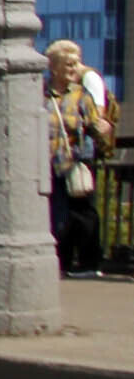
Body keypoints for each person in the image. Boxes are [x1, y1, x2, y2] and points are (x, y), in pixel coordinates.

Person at [48, 39, 114, 278]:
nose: (75, 69)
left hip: (75, 162)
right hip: (49, 164)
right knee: (54, 215)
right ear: (54, 67)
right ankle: (59, 263)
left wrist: (102, 127)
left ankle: (87, 264)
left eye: (75, 64)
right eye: (69, 64)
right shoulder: (43, 95)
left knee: (82, 213)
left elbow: (96, 125)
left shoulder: (81, 96)